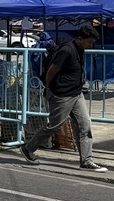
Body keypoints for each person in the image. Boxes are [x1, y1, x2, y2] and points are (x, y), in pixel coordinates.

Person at [21, 25, 107, 172]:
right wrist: (50, 90)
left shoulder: (80, 49)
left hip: (76, 93)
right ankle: (28, 148)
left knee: (85, 125)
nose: (90, 45)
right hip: (61, 95)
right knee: (55, 125)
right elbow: (50, 72)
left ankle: (86, 160)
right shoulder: (67, 51)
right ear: (80, 38)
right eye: (89, 42)